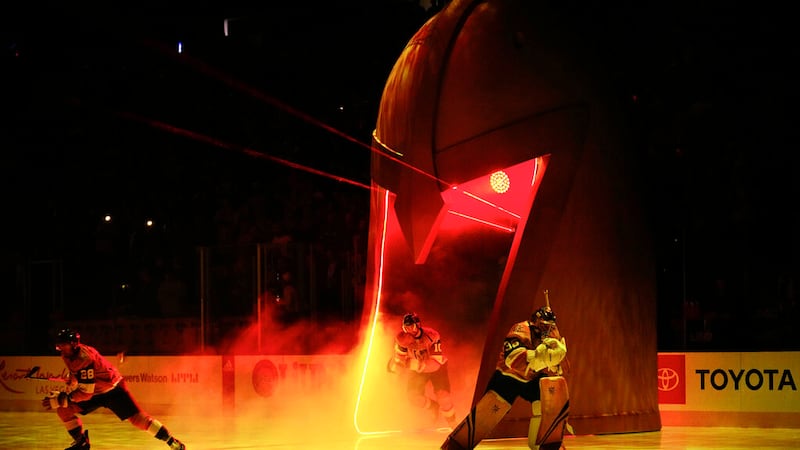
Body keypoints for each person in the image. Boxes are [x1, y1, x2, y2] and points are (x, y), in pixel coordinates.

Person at [441, 302, 569, 450]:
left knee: (551, 397)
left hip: (532, 380)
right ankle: (455, 446)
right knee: (487, 415)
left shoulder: (554, 333)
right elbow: (513, 360)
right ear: (535, 322)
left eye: (549, 325)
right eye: (543, 325)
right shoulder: (521, 329)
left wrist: (558, 359)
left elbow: (562, 368)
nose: (546, 328)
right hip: (508, 377)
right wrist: (542, 358)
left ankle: (547, 444)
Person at [42, 328, 186, 450]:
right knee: (63, 409)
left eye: (64, 346)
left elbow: (86, 394)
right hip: (95, 390)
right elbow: (82, 378)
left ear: (73, 345)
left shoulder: (83, 358)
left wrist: (64, 398)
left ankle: (171, 441)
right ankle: (81, 442)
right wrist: (73, 379)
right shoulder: (68, 354)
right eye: (60, 346)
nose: (61, 349)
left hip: (113, 389)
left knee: (138, 420)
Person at [387, 313, 457, 428]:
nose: (410, 330)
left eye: (412, 327)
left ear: (418, 325)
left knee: (443, 395)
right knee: (413, 397)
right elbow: (400, 360)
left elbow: (435, 363)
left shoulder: (432, 335)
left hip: (436, 367)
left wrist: (411, 364)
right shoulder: (402, 339)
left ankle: (453, 424)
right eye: (406, 328)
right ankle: (432, 406)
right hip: (417, 368)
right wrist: (396, 366)